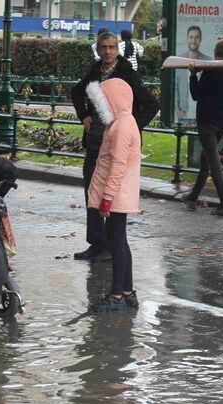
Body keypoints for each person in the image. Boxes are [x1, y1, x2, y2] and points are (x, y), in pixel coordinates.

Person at [71, 32, 159, 263]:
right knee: (92, 192)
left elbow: (151, 104)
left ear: (117, 49)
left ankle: (112, 245)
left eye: (112, 47)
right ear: (98, 49)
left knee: (112, 196)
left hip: (116, 144)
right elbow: (77, 92)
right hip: (95, 142)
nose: (108, 51)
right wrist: (84, 116)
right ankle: (96, 243)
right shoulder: (95, 70)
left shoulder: (127, 73)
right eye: (103, 47)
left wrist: (130, 126)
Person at [85, 78, 142, 311]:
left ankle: (117, 294)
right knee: (121, 242)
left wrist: (107, 198)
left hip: (116, 196)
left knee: (117, 243)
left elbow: (117, 165)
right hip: (120, 194)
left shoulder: (121, 126)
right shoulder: (123, 122)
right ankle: (127, 291)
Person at [181, 39, 223, 216]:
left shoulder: (211, 71)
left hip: (206, 122)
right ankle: (193, 196)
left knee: (213, 163)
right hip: (222, 122)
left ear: (216, 53)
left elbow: (196, 94)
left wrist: (193, 75)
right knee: (206, 158)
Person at [175, 26, 210, 123]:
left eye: (196, 37)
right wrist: (177, 110)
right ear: (187, 38)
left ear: (200, 39)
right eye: (191, 37)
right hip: (184, 112)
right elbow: (176, 87)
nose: (193, 40)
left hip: (202, 113)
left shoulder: (208, 61)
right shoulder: (179, 60)